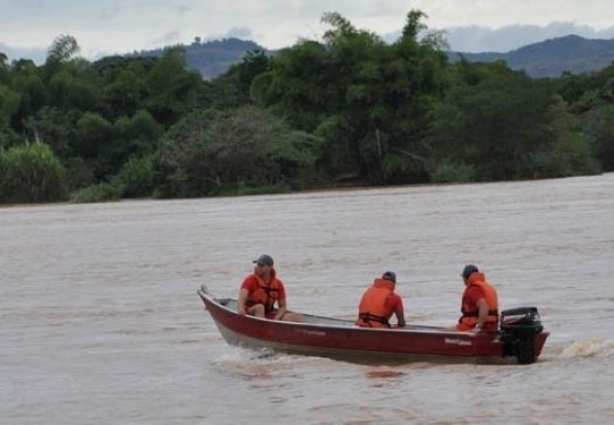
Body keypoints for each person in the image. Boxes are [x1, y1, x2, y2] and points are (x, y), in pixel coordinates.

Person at [237, 254, 302, 322]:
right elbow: (241, 298)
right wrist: (241, 309)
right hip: (250, 311)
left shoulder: (278, 284)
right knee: (260, 308)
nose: (258, 267)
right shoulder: (250, 280)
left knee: (296, 316)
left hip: (268, 312)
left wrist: (277, 318)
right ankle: (261, 329)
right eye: (257, 265)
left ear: (270, 267)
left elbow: (282, 307)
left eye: (261, 265)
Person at [456, 264, 499, 332]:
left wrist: (478, 327)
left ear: (466, 277)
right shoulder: (486, 286)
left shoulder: (473, 290)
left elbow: (484, 307)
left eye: (463, 278)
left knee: (446, 331)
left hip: (474, 326)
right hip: (491, 327)